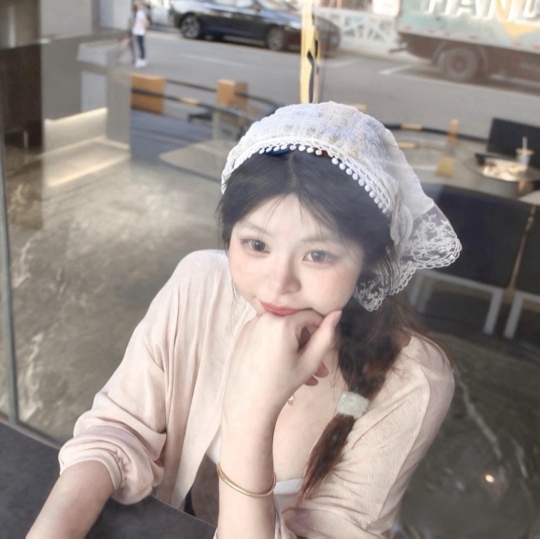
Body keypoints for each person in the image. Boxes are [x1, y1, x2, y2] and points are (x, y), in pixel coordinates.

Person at [27, 102, 461, 538]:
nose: (278, 283)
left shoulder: (413, 379)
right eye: (257, 245)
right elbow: (117, 430)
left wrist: (251, 416)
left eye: (318, 254)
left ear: (369, 261)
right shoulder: (200, 285)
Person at [132, 1, 149, 68]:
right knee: (140, 46)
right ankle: (142, 60)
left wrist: (142, 27)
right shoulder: (139, 12)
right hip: (139, 32)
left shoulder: (140, 13)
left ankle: (142, 60)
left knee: (141, 46)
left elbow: (144, 22)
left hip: (140, 32)